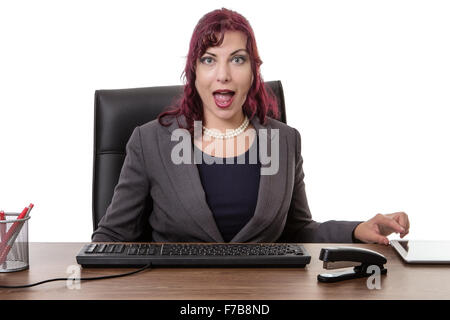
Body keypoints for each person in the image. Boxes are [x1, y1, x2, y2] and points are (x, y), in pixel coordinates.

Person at [92, 8, 409, 244]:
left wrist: (355, 230)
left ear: (254, 71)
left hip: (262, 295)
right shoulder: (151, 141)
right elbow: (114, 235)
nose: (223, 74)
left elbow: (297, 231)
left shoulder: (284, 141)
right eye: (209, 59)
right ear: (193, 71)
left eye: (238, 59)